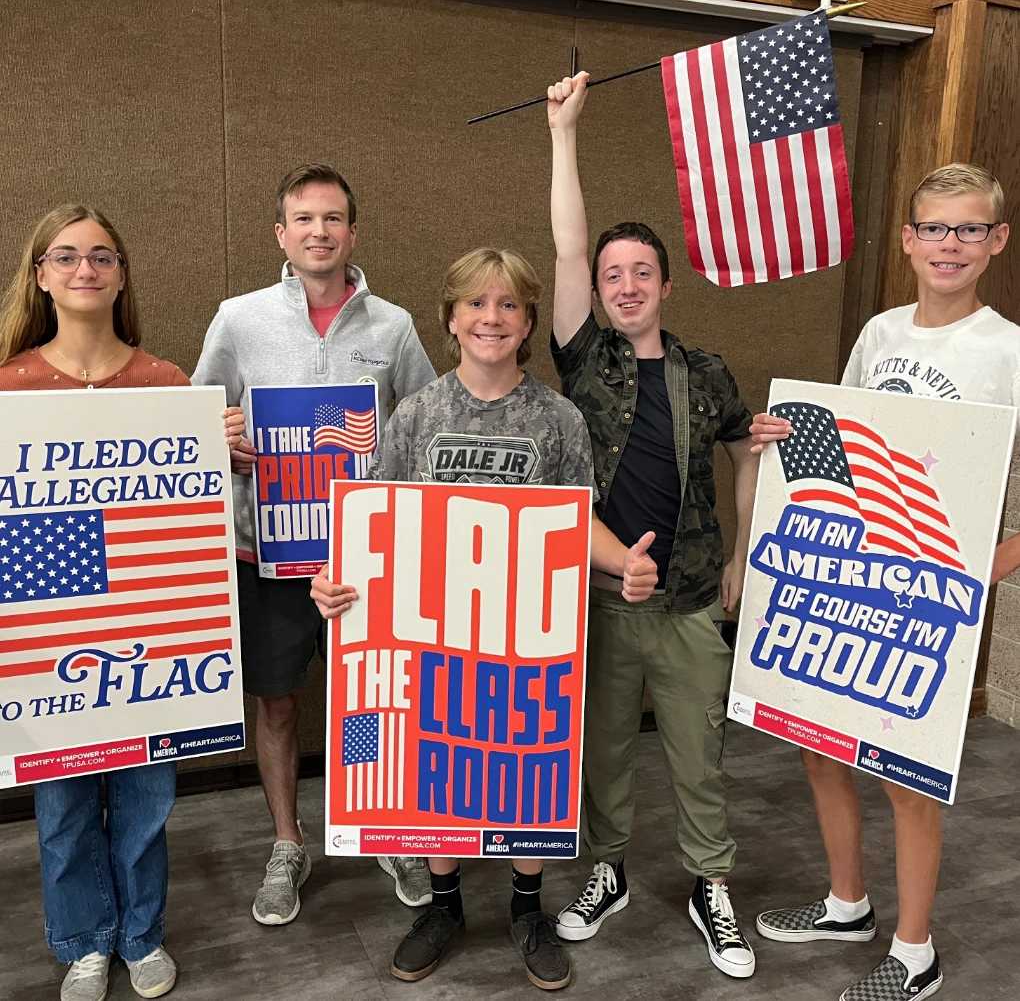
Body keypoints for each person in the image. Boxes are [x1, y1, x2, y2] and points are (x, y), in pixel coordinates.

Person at [309, 246, 659, 990]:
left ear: (529, 320)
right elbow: (375, 524)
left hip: (528, 638)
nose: (491, 318)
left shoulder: (556, 417)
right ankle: (443, 906)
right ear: (451, 318)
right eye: (476, 303)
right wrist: (334, 583)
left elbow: (578, 521)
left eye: (507, 305)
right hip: (434, 633)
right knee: (436, 764)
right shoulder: (418, 414)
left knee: (527, 765)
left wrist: (623, 560)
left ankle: (527, 908)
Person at [751, 162, 1019, 1001]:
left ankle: (915, 953)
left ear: (996, 241)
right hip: (861, 580)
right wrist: (784, 437)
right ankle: (847, 903)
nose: (950, 244)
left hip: (937, 593)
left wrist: (976, 580)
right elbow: (849, 449)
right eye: (935, 227)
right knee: (820, 746)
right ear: (907, 239)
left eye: (969, 229)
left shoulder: (1008, 351)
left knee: (907, 774)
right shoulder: (878, 334)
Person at [544, 73, 760, 980]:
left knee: (697, 755)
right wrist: (565, 134)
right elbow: (563, 240)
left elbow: (749, 454)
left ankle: (712, 885)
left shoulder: (707, 372)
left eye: (640, 272)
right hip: (598, 599)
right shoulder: (583, 357)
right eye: (609, 275)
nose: (624, 285)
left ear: (665, 284)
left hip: (687, 602)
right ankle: (609, 870)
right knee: (601, 757)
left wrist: (743, 564)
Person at [191, 164, 437, 925]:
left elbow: (424, 420)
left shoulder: (392, 325)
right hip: (267, 551)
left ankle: (387, 829)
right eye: (304, 220)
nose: (319, 232)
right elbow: (195, 420)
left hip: (369, 556)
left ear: (353, 233)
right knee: (277, 705)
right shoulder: (239, 318)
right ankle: (288, 840)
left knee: (375, 701)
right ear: (282, 234)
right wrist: (218, 441)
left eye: (332, 219)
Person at [0, 205, 232, 1001]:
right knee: (63, 804)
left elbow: (187, 517)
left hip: (150, 639)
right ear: (41, 275)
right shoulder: (9, 386)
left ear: (122, 273)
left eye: (102, 256)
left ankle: (140, 934)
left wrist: (220, 447)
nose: (86, 270)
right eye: (66, 257)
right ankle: (83, 941)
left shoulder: (166, 382)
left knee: (145, 799)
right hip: (50, 640)